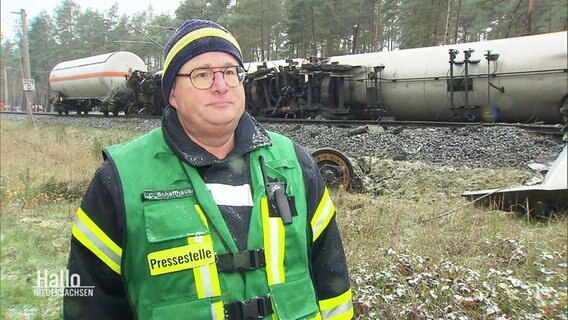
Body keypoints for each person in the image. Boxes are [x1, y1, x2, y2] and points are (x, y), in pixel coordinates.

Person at [64, 19, 353, 320]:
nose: (220, 86)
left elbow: (334, 289)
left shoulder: (295, 164)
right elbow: (91, 302)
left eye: (230, 72)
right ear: (172, 93)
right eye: (202, 74)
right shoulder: (119, 180)